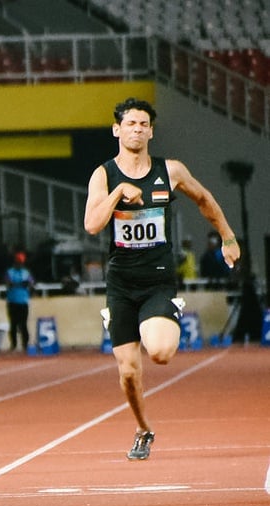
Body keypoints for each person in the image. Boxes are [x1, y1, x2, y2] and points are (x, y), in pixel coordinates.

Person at [83, 97, 239, 461]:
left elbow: (204, 199)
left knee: (161, 353)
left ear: (151, 131)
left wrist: (228, 237)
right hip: (120, 283)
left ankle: (168, 310)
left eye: (143, 124)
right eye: (130, 123)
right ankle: (143, 428)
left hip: (157, 280)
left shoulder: (170, 171)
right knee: (128, 373)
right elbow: (92, 225)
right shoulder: (104, 175)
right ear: (116, 130)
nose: (136, 129)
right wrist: (120, 193)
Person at [4, 251, 34, 351]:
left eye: (21, 262)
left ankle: (25, 344)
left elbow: (30, 283)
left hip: (23, 301)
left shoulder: (26, 272)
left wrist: (19, 284)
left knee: (24, 324)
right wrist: (21, 284)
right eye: (18, 261)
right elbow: (9, 283)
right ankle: (14, 344)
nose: (20, 263)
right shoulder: (10, 272)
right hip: (12, 301)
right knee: (13, 324)